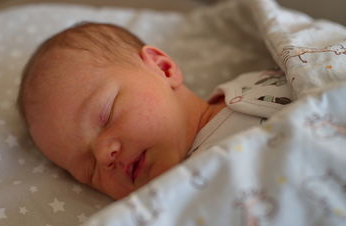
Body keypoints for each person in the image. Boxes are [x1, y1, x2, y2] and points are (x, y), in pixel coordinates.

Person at [17, 22, 292, 200]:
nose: (103, 156)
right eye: (88, 169)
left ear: (163, 68)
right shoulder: (172, 215)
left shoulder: (257, 86)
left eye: (106, 116)